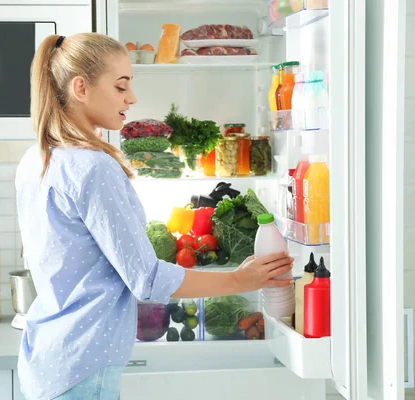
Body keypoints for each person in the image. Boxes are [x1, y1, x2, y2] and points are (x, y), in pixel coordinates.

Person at [15, 32, 294, 400]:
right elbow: (146, 279)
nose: (131, 98)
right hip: (83, 364)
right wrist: (239, 281)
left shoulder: (36, 158)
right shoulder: (93, 167)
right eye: (120, 86)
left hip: (47, 358)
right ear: (80, 88)